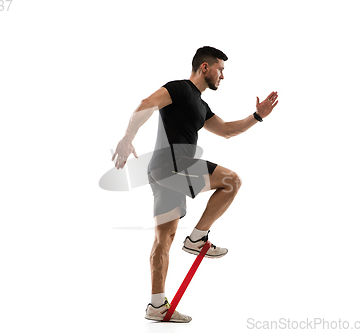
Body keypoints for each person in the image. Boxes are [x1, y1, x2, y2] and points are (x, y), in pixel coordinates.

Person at [112, 46, 279, 322]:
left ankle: (156, 305)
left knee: (163, 240)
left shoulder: (201, 106)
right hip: (171, 166)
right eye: (220, 69)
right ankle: (198, 238)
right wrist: (128, 137)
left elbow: (226, 130)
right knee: (231, 180)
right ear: (205, 68)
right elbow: (146, 104)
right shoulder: (179, 89)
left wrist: (257, 116)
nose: (222, 76)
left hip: (166, 173)